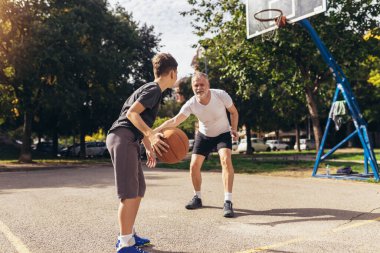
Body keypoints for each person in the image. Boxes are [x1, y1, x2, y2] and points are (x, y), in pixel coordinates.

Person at [106, 53, 178, 253]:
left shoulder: (150, 89)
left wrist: (147, 145)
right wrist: (151, 135)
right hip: (123, 137)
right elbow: (132, 114)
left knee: (138, 189)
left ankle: (129, 233)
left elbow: (139, 121)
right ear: (172, 73)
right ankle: (124, 243)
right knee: (129, 192)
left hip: (128, 138)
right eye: (177, 72)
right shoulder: (154, 89)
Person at [155, 72, 239, 217]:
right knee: (193, 165)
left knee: (225, 159)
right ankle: (197, 197)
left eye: (202, 84)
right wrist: (152, 132)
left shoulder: (221, 95)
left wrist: (234, 129)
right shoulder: (191, 104)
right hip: (204, 135)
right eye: (196, 85)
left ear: (208, 85)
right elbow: (174, 121)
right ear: (193, 87)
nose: (199, 88)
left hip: (222, 133)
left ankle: (228, 201)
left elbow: (234, 112)